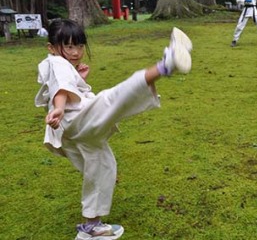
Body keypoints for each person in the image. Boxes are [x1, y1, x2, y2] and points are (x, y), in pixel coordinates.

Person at [34, 19, 192, 240]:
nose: (76, 52)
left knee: (102, 167)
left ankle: (91, 227)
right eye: (68, 46)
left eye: (79, 46)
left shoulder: (60, 64)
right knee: (113, 98)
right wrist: (59, 108)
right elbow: (60, 90)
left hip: (70, 129)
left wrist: (78, 79)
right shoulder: (57, 63)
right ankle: (165, 64)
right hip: (75, 119)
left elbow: (62, 86)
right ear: (51, 48)